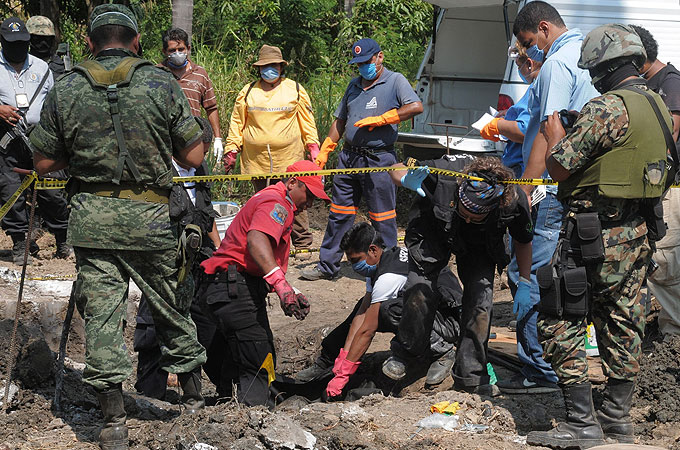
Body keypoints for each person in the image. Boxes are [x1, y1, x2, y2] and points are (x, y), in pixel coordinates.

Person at [29, 5, 208, 448]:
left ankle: (112, 420)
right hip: (150, 220)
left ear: (89, 43)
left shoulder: (66, 87)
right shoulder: (160, 81)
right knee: (170, 305)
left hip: (92, 223)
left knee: (104, 315)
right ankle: (193, 400)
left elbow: (45, 162)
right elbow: (194, 157)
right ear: (135, 41)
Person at [527, 24, 671, 449]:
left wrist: (556, 138)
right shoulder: (658, 104)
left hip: (592, 236)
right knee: (624, 321)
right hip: (638, 234)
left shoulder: (606, 107)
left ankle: (582, 424)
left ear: (606, 68)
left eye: (595, 71)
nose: (592, 78)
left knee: (559, 319)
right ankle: (616, 417)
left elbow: (559, 167)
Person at [501, 0, 598, 394]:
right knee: (568, 275)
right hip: (581, 186)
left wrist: (525, 188)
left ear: (544, 28)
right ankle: (559, 364)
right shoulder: (589, 56)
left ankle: (539, 370)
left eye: (528, 42)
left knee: (528, 275)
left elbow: (549, 128)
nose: (529, 53)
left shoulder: (557, 64)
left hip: (550, 189)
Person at [383, 155, 533, 396]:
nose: (469, 218)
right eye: (466, 213)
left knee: (480, 303)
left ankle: (471, 375)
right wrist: (405, 179)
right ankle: (406, 354)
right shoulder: (444, 173)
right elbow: (394, 167)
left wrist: (525, 281)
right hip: (435, 229)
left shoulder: (512, 199)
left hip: (481, 244)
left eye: (476, 216)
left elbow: (524, 240)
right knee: (419, 289)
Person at [197, 160, 330, 407]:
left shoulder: (270, 198)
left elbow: (261, 257)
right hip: (234, 287)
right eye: (308, 195)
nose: (310, 204)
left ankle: (229, 403)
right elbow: (256, 241)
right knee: (259, 355)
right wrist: (281, 286)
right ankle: (253, 412)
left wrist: (289, 289)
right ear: (292, 183)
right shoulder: (277, 203)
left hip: (221, 287)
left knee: (234, 354)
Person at [301, 38, 423, 281]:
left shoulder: (395, 81)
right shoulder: (353, 85)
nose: (363, 67)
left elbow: (416, 106)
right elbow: (340, 121)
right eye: (359, 64)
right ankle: (327, 266)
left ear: (380, 57)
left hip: (380, 159)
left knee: (382, 216)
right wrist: (326, 148)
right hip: (349, 158)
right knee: (339, 213)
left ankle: (388, 267)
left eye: (367, 61)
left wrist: (384, 118)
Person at [295, 222, 462, 392]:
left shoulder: (388, 276)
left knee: (389, 310)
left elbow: (368, 330)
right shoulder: (379, 263)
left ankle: (441, 351)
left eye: (355, 260)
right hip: (432, 312)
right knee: (371, 306)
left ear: (373, 250)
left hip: (450, 320)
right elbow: (362, 313)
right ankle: (328, 359)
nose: (353, 267)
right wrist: (344, 357)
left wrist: (344, 374)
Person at [134, 117, 221, 400]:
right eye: (200, 151)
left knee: (197, 325)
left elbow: (208, 217)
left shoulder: (201, 170)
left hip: (197, 264)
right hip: (163, 265)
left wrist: (220, 252)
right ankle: (151, 393)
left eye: (205, 152)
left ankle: (191, 393)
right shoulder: (156, 172)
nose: (202, 158)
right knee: (153, 329)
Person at [223, 45, 320, 258]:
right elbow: (237, 123)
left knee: (296, 200)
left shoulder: (294, 89)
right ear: (259, 68)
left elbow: (307, 122)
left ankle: (302, 243)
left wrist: (313, 146)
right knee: (264, 201)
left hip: (289, 158)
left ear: (281, 66)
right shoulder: (248, 91)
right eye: (265, 66)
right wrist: (231, 150)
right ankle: (268, 242)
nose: (270, 69)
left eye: (274, 65)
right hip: (256, 160)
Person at [0, 16, 70, 264]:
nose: (18, 48)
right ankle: (20, 244)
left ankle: (63, 240)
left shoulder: (42, 68)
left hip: (41, 139)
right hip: (5, 142)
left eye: (22, 43)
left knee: (52, 191)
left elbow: (55, 104)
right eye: (12, 43)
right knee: (11, 192)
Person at [631, 24, 680, 338]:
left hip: (670, 191)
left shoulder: (670, 84)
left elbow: (669, 137)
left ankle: (674, 335)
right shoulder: (646, 85)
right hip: (653, 189)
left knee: (665, 263)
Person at [160, 28, 223, 163]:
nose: (177, 53)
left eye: (181, 49)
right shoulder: (156, 74)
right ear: (164, 51)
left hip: (193, 142)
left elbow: (211, 107)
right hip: (166, 143)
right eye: (172, 50)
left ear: (188, 48)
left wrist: (217, 138)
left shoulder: (200, 74)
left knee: (197, 180)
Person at [480, 43, 539, 178]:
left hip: (520, 166)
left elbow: (525, 130)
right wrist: (510, 115)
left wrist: (498, 125)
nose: (519, 71)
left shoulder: (536, 88)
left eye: (519, 66)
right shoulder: (539, 86)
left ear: (529, 64)